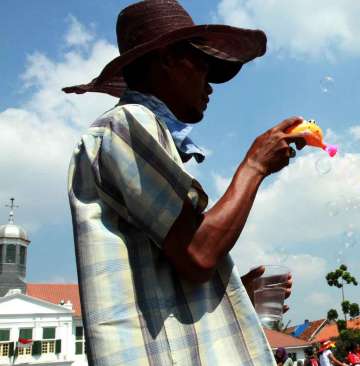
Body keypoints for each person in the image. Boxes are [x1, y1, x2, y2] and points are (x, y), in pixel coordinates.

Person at [64, 1, 303, 364]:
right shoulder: (127, 124)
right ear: (165, 59)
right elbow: (198, 255)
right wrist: (255, 165)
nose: (210, 84)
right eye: (203, 65)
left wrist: (236, 292)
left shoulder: (142, 132)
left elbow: (175, 274)